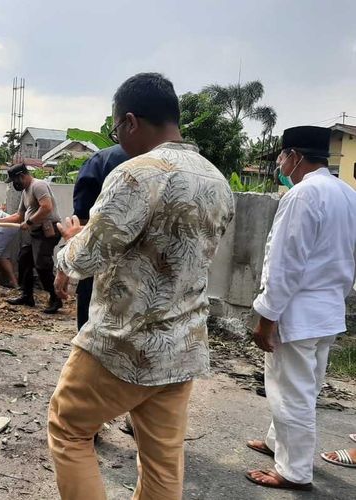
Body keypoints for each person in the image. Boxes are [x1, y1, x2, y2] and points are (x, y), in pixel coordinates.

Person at [47, 73, 235, 500]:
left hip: (123, 343)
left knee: (69, 429)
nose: (118, 139)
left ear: (130, 121)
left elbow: (86, 258)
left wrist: (68, 240)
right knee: (162, 459)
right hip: (182, 345)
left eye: (116, 129)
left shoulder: (135, 175)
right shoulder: (216, 180)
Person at [245, 126, 356, 491]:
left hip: (299, 311)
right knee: (302, 387)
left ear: (294, 155)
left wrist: (267, 316)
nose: (280, 163)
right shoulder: (346, 193)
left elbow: (284, 263)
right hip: (327, 311)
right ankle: (278, 444)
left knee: (291, 393)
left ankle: (293, 471)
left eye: (281, 156)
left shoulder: (303, 195)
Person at [67, 145, 129, 329]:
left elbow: (82, 223)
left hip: (103, 270)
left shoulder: (103, 161)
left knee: (91, 333)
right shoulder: (198, 169)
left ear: (130, 122)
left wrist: (66, 264)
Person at [0, 164, 63, 314]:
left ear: (22, 176)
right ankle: (27, 296)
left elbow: (46, 207)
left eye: (14, 180)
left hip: (46, 230)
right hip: (35, 231)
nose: (14, 184)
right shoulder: (26, 191)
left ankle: (55, 298)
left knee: (42, 264)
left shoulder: (38, 185)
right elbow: (19, 215)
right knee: (24, 259)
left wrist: (30, 222)